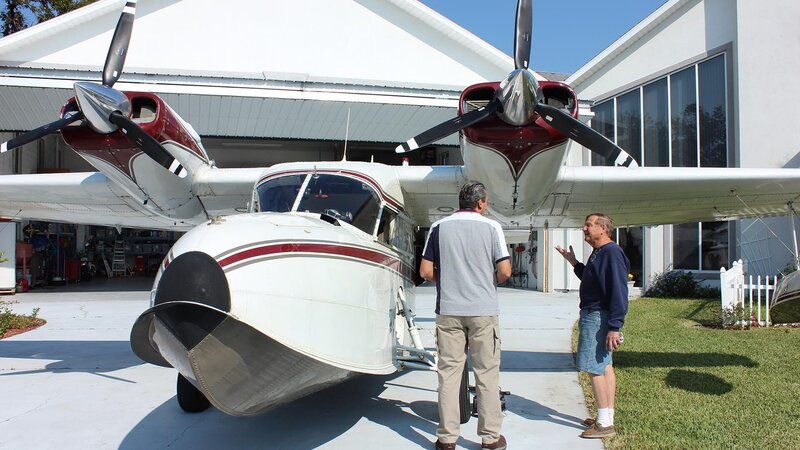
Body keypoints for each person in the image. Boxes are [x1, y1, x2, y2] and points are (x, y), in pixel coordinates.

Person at [420, 181, 512, 450]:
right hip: (483, 311)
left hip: (448, 309)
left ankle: (447, 439)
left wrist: (449, 281)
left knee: (448, 374)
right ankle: (490, 438)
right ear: (481, 202)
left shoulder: (438, 227)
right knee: (487, 374)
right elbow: (505, 271)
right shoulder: (492, 227)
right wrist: (484, 282)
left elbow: (426, 271)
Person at [555, 213, 629, 439]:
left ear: (603, 228)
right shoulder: (600, 253)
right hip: (596, 315)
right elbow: (591, 278)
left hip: (597, 316)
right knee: (604, 366)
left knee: (593, 366)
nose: (584, 229)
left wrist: (615, 326)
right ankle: (605, 416)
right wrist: (574, 262)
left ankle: (605, 424)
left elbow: (619, 291)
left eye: (588, 225)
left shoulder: (611, 253)